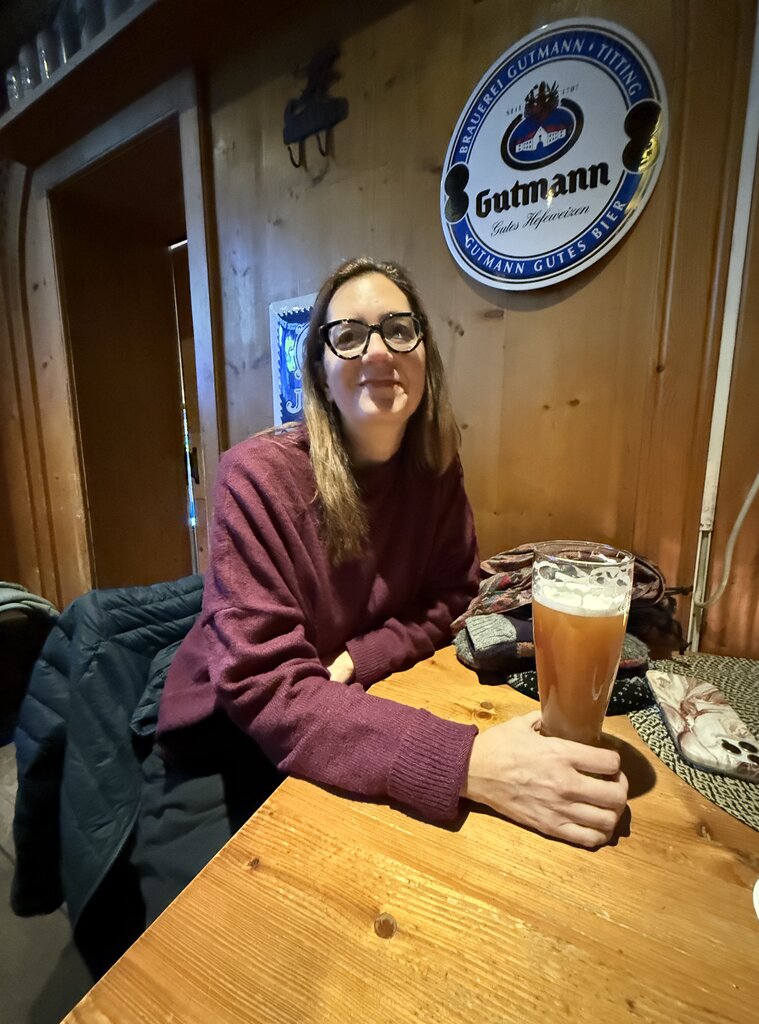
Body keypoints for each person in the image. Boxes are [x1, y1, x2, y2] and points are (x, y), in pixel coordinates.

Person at [141, 256, 627, 926]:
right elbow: (266, 690)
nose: (377, 351)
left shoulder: (436, 472)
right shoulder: (254, 477)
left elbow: (452, 596)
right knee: (215, 943)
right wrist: (469, 762)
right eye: (349, 335)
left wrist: (364, 655)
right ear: (320, 372)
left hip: (343, 709)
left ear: (425, 357)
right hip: (222, 738)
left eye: (399, 329)